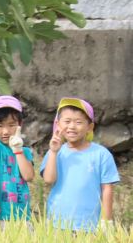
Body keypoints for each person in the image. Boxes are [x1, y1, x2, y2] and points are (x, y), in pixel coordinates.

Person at [41, 98, 120, 233]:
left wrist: (106, 221)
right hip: (56, 222)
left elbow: (107, 189)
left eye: (78, 122)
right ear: (58, 125)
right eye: (67, 121)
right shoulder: (55, 152)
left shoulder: (101, 154)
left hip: (89, 225)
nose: (72, 126)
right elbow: (48, 180)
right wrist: (53, 152)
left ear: (90, 127)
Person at [0, 96, 34, 226]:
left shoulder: (25, 151)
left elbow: (28, 176)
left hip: (22, 214)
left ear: (19, 125)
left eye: (11, 125)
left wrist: (17, 150)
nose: (5, 131)